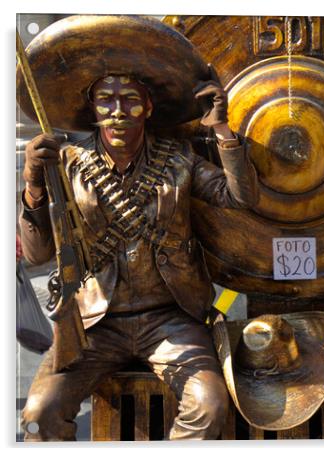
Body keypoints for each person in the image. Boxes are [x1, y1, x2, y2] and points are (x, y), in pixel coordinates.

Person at [17, 15, 258, 441]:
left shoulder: (178, 159)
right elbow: (36, 255)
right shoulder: (69, 164)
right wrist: (34, 185)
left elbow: (241, 197)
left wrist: (221, 129)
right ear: (92, 109)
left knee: (210, 406)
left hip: (171, 319)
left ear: (147, 107)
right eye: (106, 100)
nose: (117, 112)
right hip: (94, 324)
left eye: (130, 99)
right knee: (39, 415)